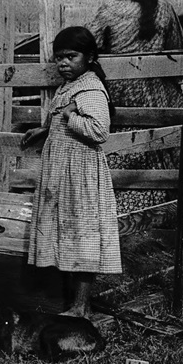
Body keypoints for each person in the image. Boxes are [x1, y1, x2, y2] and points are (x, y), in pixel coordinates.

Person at [21, 26, 122, 316]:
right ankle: (72, 304)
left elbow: (99, 131)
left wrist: (70, 116)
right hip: (63, 171)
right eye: (59, 57)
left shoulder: (90, 88)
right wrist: (45, 129)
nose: (63, 63)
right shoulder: (70, 86)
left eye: (71, 56)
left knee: (82, 235)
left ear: (89, 57)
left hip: (80, 173)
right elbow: (62, 118)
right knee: (67, 233)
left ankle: (80, 307)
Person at [86, 0, 183, 230]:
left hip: (124, 96)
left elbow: (86, 47)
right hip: (161, 96)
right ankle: (160, 213)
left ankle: (119, 218)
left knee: (122, 150)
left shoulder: (109, 11)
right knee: (159, 150)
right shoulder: (164, 8)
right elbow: (179, 51)